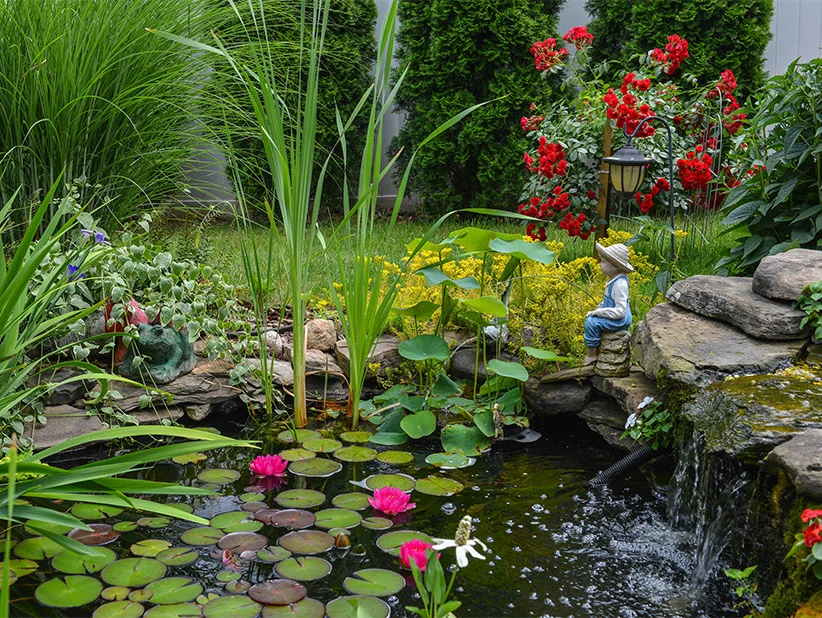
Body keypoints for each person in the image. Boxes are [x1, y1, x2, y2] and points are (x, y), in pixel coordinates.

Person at [583, 243, 633, 366]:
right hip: (615, 315)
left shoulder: (619, 284)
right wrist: (601, 307)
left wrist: (598, 312)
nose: (600, 264)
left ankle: (592, 355)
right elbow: (609, 302)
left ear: (615, 266)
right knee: (593, 318)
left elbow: (620, 312)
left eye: (604, 262)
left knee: (591, 322)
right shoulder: (613, 280)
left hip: (620, 320)